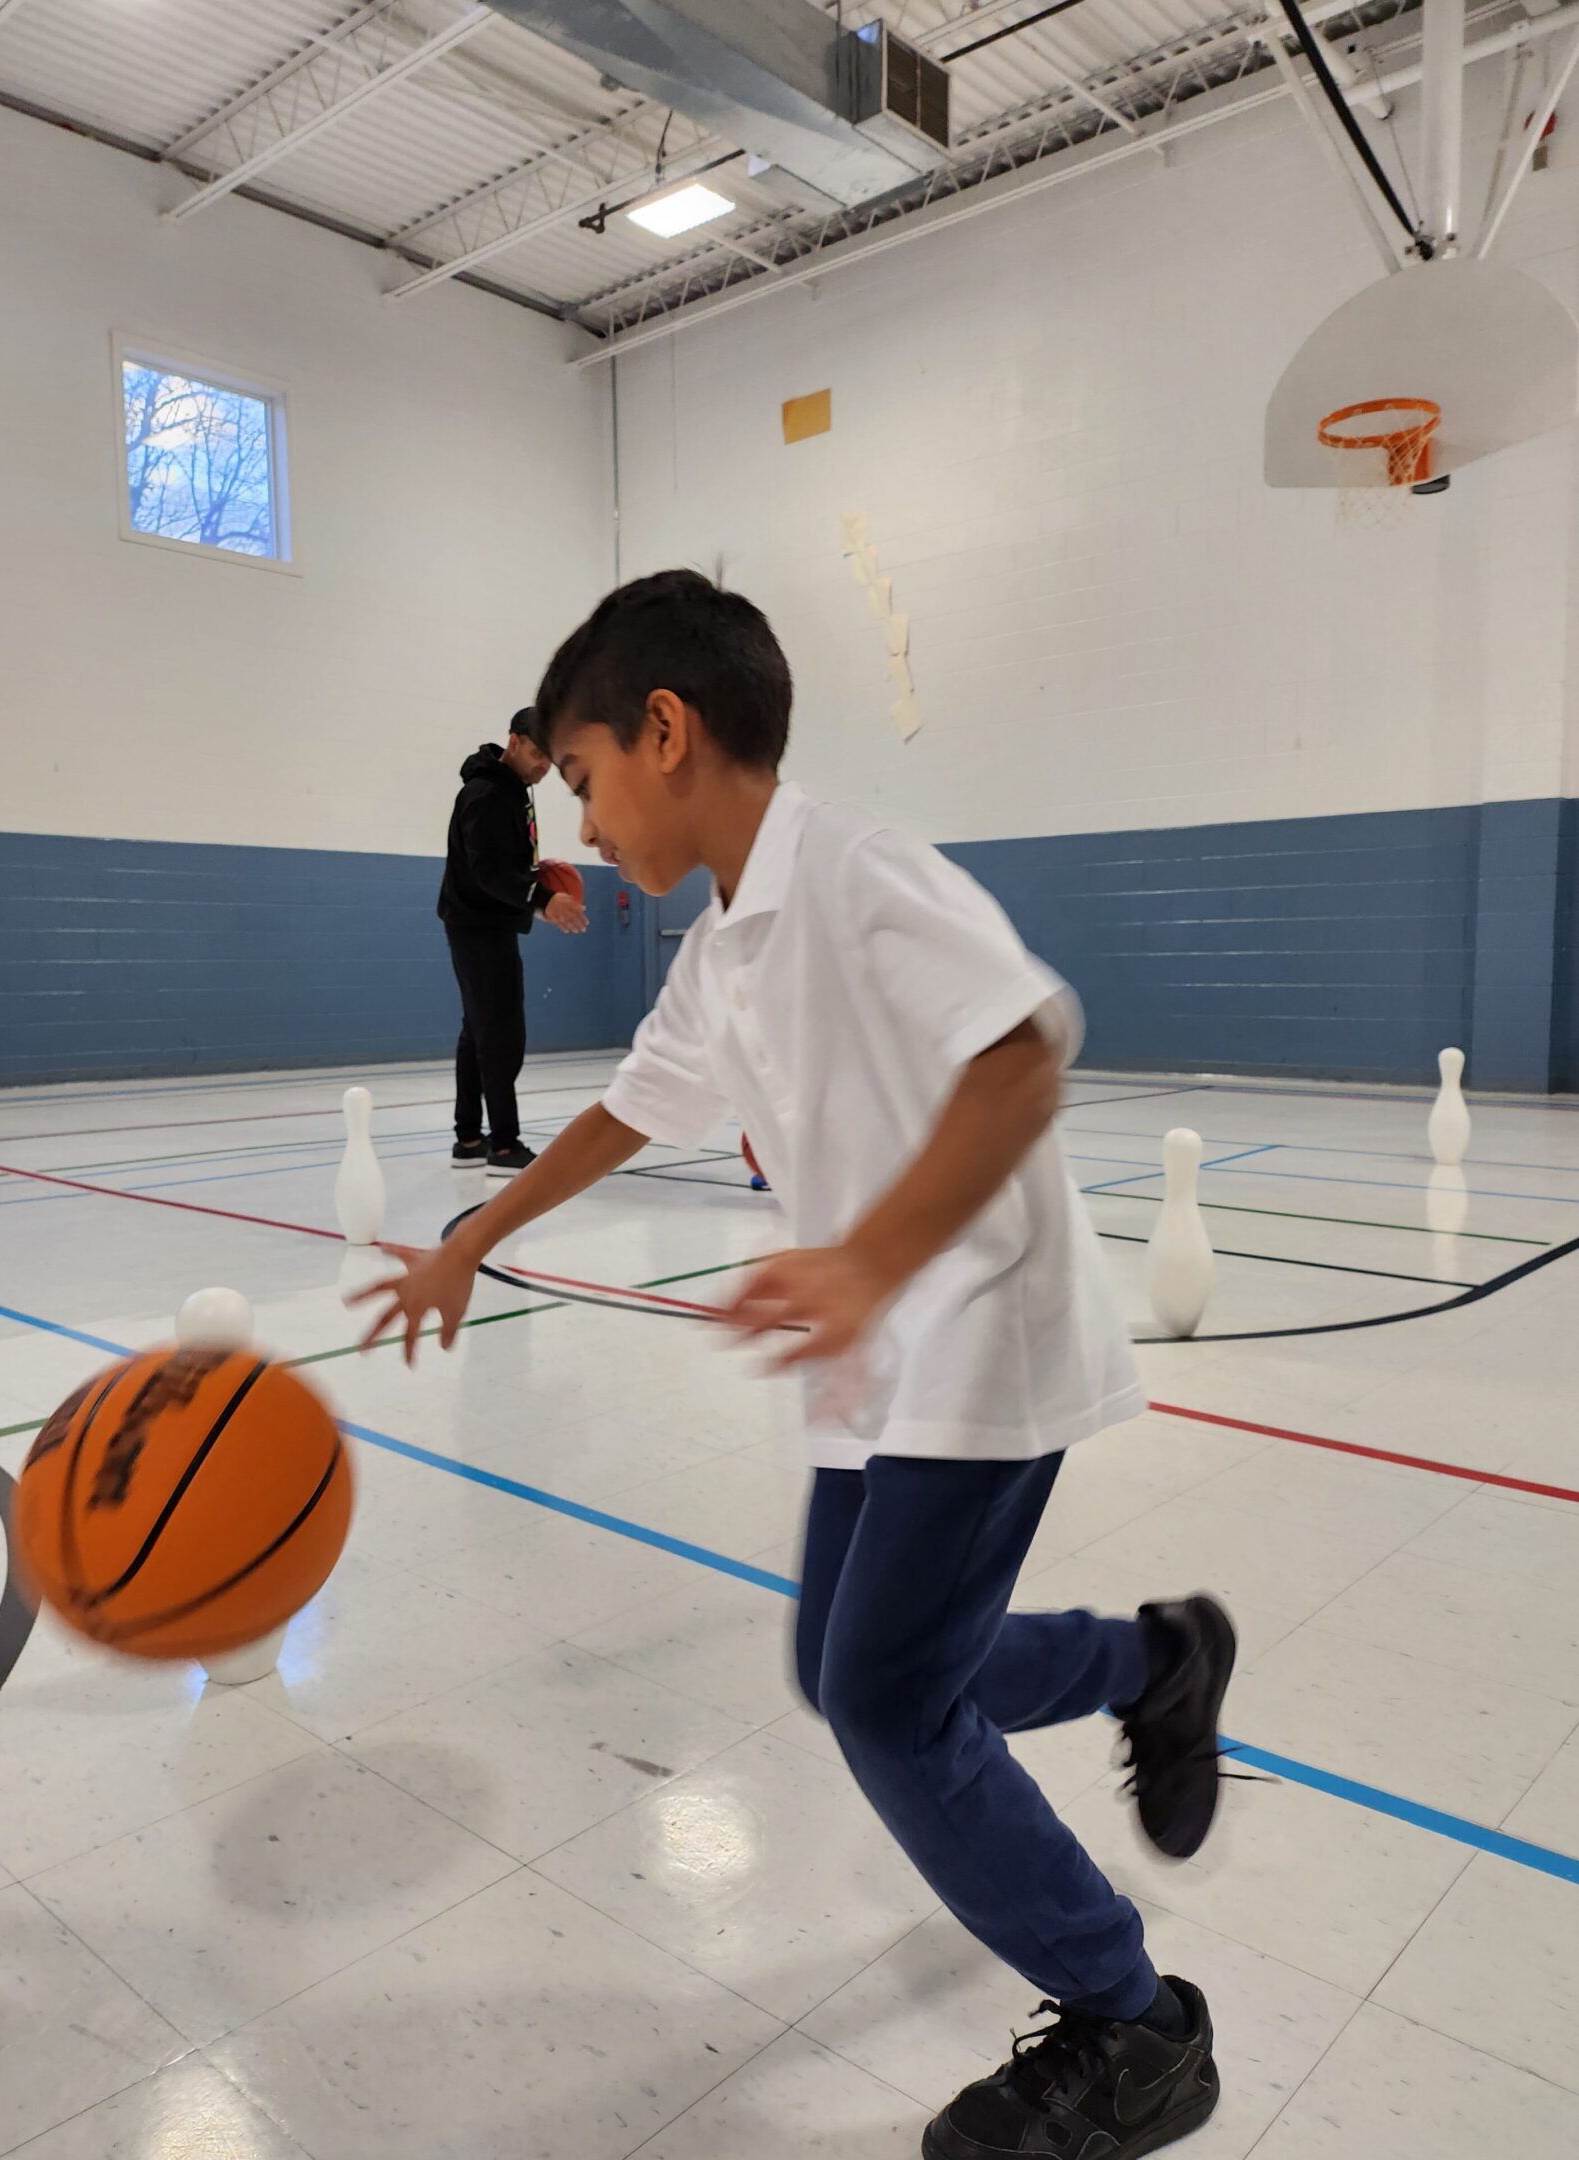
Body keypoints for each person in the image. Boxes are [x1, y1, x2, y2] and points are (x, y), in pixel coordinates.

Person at [358, 572, 1234, 2160]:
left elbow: (1024, 1052)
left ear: (666, 734)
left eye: (582, 781)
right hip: (879, 1355)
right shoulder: (724, 949)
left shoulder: (856, 871)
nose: (584, 825)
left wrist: (872, 1259)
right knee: (851, 1662)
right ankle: (1153, 1662)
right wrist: (475, 1239)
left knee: (889, 1701)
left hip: (978, 1332)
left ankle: (1137, 2026)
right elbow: (630, 1110)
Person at [437, 709, 587, 1175]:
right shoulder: (485, 795)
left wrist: (532, 876)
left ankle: (468, 1137)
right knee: (501, 1032)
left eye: (551, 761)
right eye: (539, 755)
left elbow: (501, 864)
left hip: (483, 922)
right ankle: (504, 1145)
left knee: (478, 1030)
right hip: (478, 925)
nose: (544, 767)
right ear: (515, 742)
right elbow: (487, 873)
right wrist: (543, 898)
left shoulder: (510, 789)